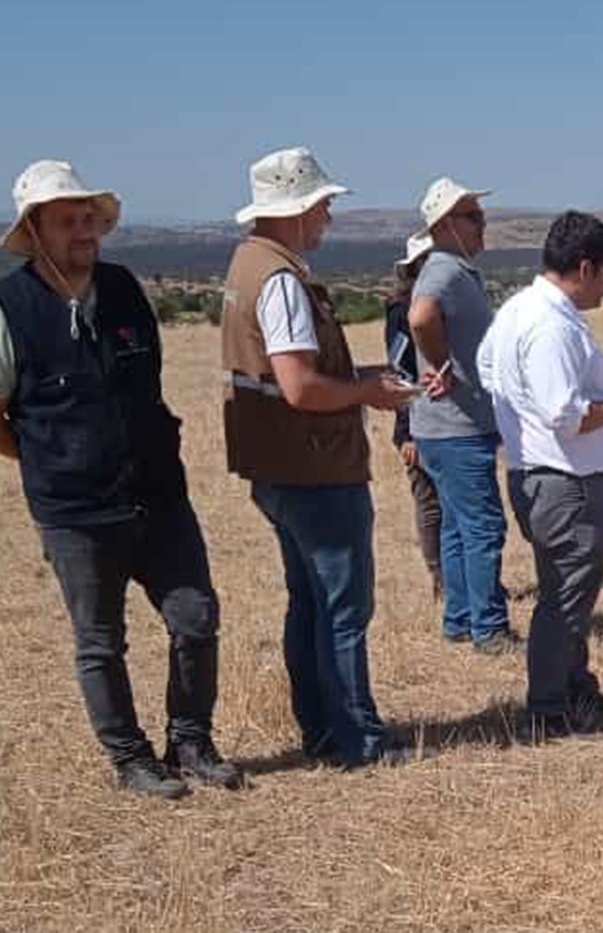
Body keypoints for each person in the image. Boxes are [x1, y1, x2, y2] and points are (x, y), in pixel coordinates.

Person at [0, 160, 239, 798]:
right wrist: (56, 464)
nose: (85, 229)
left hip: (159, 496)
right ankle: (130, 759)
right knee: (101, 640)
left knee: (195, 618)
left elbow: (148, 386)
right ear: (34, 230)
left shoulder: (124, 291)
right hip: (76, 514)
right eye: (68, 219)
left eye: (90, 218)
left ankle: (190, 741)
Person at [220, 147, 416, 767]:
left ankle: (323, 732)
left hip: (279, 468)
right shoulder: (281, 279)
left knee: (309, 602)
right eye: (323, 205)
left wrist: (362, 377)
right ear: (297, 208)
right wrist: (368, 392)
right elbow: (301, 388)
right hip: (314, 469)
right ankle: (356, 740)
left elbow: (287, 378)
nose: (328, 216)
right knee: (341, 608)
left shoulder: (248, 264)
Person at [477, 211, 603, 739]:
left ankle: (573, 689)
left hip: (541, 473)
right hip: (564, 479)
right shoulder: (549, 325)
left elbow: (487, 370)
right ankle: (549, 706)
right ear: (584, 266)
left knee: (566, 592)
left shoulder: (517, 311)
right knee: (565, 601)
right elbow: (565, 415)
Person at [407, 176, 516, 654]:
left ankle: (460, 619)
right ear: (446, 224)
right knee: (483, 526)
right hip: (455, 427)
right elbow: (421, 317)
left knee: (456, 526)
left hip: (442, 427)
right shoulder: (444, 271)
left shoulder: (454, 268)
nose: (482, 225)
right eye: (473, 217)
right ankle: (488, 629)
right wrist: (442, 362)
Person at [384, 233, 443, 601]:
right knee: (430, 501)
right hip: (419, 420)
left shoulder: (435, 304)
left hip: (449, 419)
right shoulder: (402, 313)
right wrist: (407, 432)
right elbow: (401, 371)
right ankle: (441, 579)